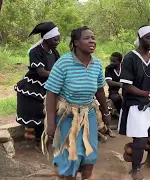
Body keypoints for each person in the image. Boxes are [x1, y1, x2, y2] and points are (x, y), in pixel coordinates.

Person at [42, 26, 111, 179]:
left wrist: (106, 113)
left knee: (89, 154)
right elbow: (51, 93)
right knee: (69, 155)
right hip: (67, 116)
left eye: (93, 38)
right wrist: (51, 124)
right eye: (87, 38)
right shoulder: (63, 63)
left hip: (89, 114)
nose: (92, 41)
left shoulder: (97, 64)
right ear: (76, 42)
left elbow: (100, 90)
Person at [118, 25, 150, 180]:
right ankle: (135, 168)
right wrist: (148, 93)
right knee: (140, 139)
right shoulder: (129, 58)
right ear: (140, 39)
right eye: (148, 37)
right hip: (135, 103)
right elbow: (127, 86)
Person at [14, 21, 60, 151]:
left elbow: (59, 67)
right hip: (36, 84)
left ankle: (51, 137)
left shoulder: (54, 52)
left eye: (58, 39)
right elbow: (41, 72)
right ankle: (39, 141)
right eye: (55, 39)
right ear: (47, 38)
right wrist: (59, 74)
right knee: (39, 113)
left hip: (50, 82)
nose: (58, 41)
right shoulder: (35, 52)